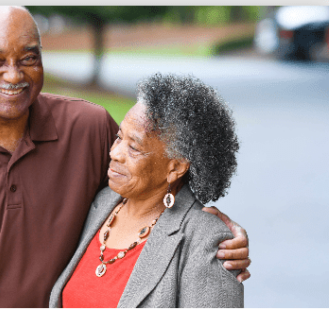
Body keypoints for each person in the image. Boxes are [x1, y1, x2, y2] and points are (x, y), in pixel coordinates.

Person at [0, 6, 250, 308]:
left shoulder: (89, 129)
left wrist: (211, 228)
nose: (14, 76)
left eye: (28, 58)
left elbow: (151, 177)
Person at [50, 73, 244, 308]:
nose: (115, 153)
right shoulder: (99, 203)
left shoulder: (206, 242)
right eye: (119, 137)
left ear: (176, 167)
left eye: (134, 147)